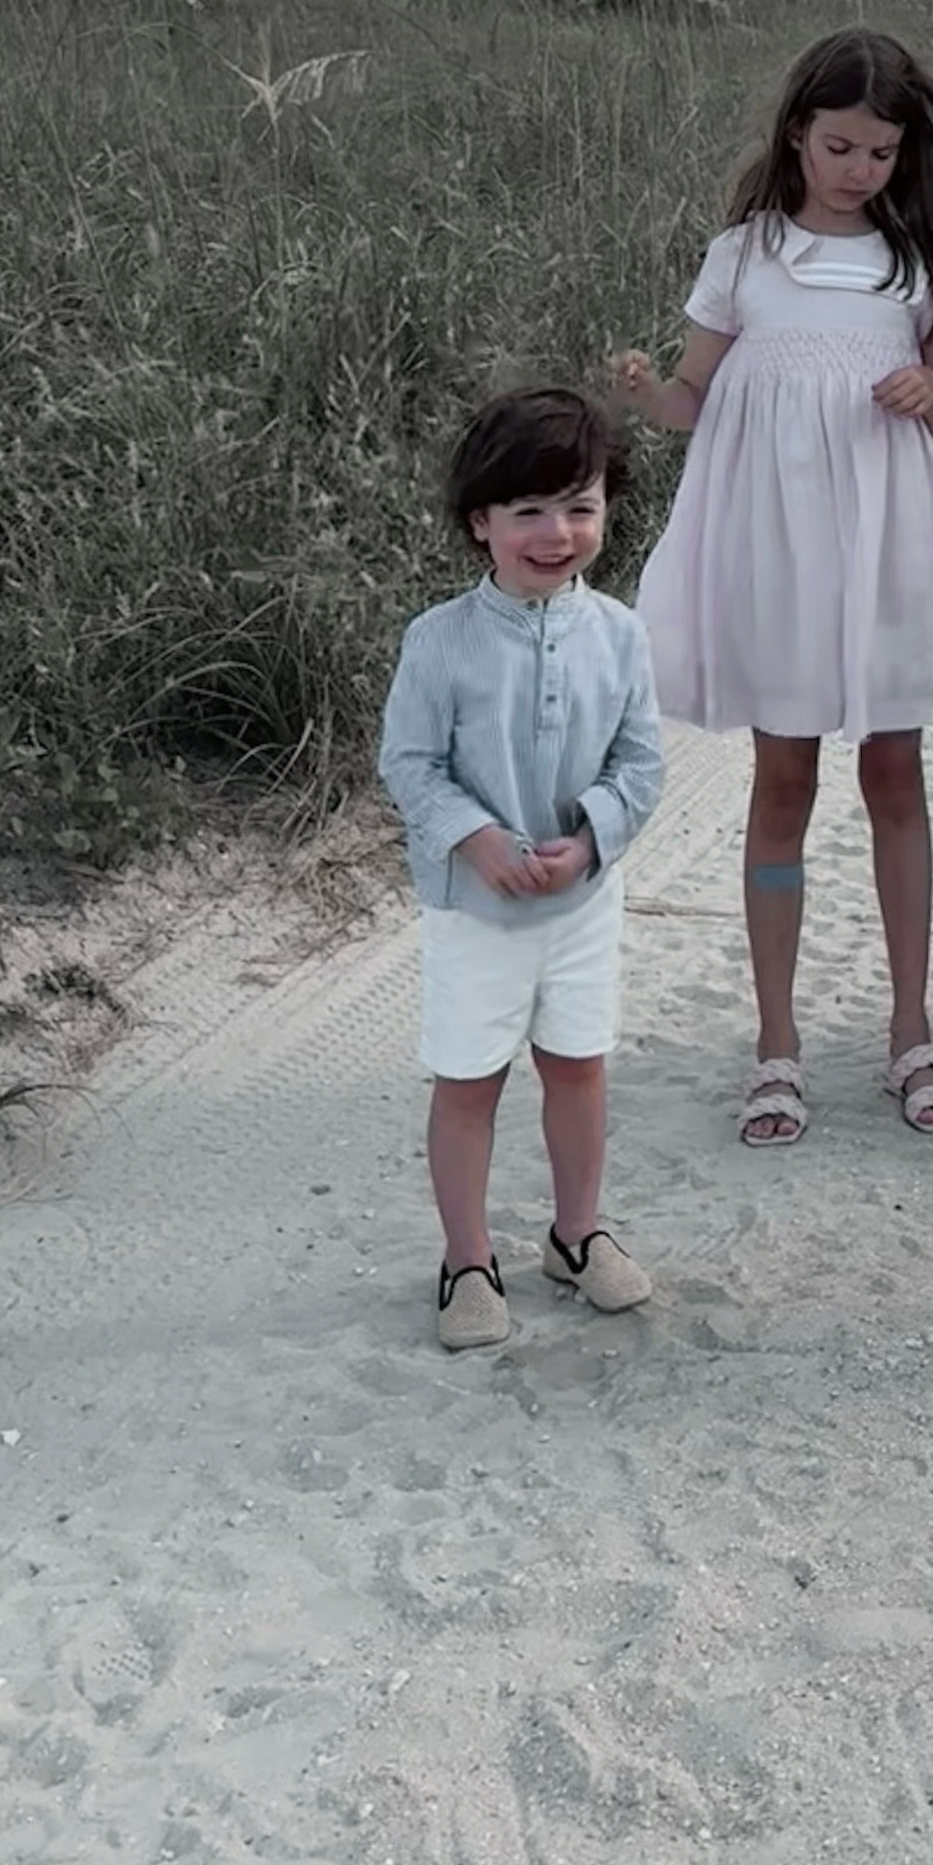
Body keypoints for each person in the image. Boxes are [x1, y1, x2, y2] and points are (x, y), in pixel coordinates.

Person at [617, 28, 933, 1149]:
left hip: (887, 533)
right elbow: (696, 402)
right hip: (778, 542)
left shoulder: (912, 261)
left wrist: (923, 388)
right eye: (840, 144)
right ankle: (777, 1043)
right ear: (797, 131)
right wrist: (654, 390)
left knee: (895, 766)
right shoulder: (745, 255)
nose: (859, 169)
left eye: (882, 153)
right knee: (784, 770)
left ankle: (911, 1028)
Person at [379, 387, 665, 1353]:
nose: (556, 533)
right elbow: (409, 765)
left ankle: (576, 1236)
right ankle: (467, 1260)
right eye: (529, 512)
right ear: (481, 523)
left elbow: (642, 762)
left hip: (582, 903)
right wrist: (478, 839)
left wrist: (590, 840)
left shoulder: (621, 634)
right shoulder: (439, 639)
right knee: (469, 1081)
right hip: (475, 909)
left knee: (577, 1068)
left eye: (580, 507)